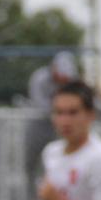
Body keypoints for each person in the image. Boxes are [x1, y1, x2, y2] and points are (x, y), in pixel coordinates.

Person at [24, 50, 79, 180]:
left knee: (59, 164)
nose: (64, 79)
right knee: (30, 164)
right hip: (36, 127)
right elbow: (39, 104)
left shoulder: (71, 81)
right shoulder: (40, 77)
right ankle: (30, 198)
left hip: (60, 131)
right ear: (54, 68)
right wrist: (61, 109)